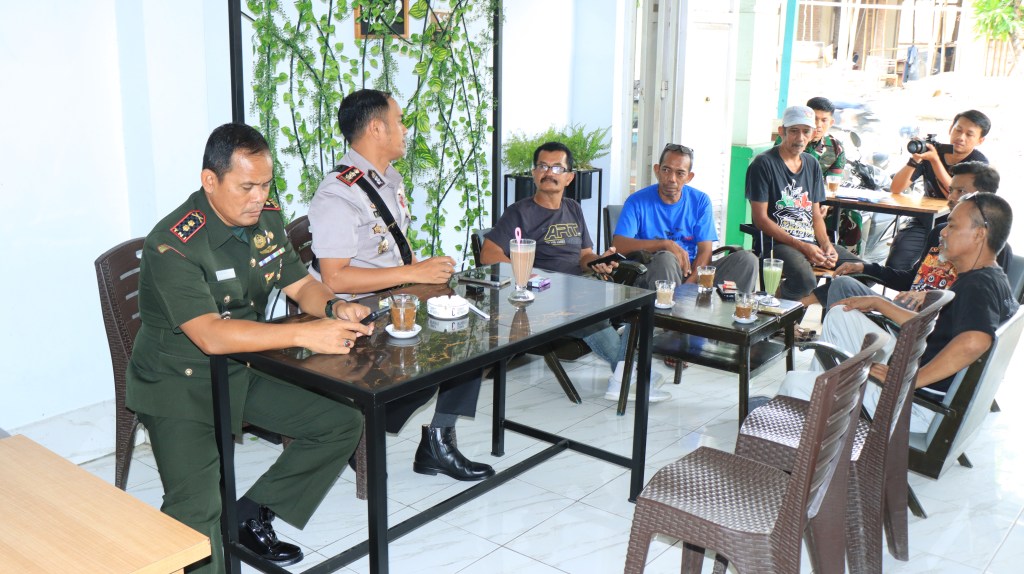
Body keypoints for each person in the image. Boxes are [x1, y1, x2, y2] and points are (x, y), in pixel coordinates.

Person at [127, 124, 370, 573]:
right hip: (179, 383)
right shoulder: (173, 244)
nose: (259, 197)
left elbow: (299, 282)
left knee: (340, 422)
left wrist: (334, 307)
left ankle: (249, 515)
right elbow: (210, 335)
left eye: (265, 185)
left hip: (241, 366)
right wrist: (303, 334)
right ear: (210, 180)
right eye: (246, 187)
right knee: (197, 509)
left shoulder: (265, 218)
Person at [308, 89, 494, 482]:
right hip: (355, 311)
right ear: (377, 128)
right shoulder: (338, 192)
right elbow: (335, 278)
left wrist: (423, 273)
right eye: (399, 120)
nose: (405, 129)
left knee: (471, 332)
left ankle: (438, 441)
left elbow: (387, 255)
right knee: (435, 357)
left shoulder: (387, 180)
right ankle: (356, 423)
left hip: (392, 300)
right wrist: (414, 273)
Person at [779, 193, 1018, 433]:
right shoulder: (991, 277)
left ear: (979, 234)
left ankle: (814, 419)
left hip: (912, 404)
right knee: (842, 313)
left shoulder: (977, 286)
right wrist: (878, 303)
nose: (943, 232)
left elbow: (975, 342)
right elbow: (940, 331)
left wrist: (905, 379)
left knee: (794, 382)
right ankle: (824, 412)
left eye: (953, 226)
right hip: (915, 366)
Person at [479, 141, 670, 402]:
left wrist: (598, 261)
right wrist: (525, 276)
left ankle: (624, 374)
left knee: (636, 300)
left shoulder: (573, 208)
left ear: (569, 177)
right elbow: (488, 254)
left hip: (580, 289)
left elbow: (583, 256)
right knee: (591, 313)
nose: (549, 172)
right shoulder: (519, 213)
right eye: (543, 166)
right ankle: (630, 375)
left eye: (557, 168)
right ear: (534, 173)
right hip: (545, 299)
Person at [805, 162, 1010, 310]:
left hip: (928, 324)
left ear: (984, 197)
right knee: (842, 285)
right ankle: (805, 318)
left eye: (961, 192)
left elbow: (982, 303)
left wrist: (931, 297)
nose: (951, 197)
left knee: (846, 312)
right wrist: (864, 268)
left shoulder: (992, 249)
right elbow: (912, 280)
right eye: (951, 190)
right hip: (903, 310)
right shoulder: (939, 233)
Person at [745, 105, 859, 301]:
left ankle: (806, 305)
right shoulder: (763, 163)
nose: (800, 138)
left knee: (862, 272)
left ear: (813, 134)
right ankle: (780, 308)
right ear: (782, 132)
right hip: (778, 244)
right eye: (793, 131)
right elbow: (760, 219)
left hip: (810, 242)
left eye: (806, 131)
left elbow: (815, 215)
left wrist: (826, 245)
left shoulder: (812, 164)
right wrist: (802, 247)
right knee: (805, 280)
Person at [611, 143, 759, 293]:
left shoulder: (700, 201)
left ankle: (728, 309)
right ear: (657, 170)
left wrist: (689, 285)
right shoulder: (636, 201)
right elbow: (619, 245)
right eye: (666, 170)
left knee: (747, 260)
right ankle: (670, 308)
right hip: (655, 273)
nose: (672, 179)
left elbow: (705, 251)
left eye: (680, 173)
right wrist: (664, 244)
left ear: (689, 177)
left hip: (693, 274)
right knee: (666, 258)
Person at [886, 109, 990, 270]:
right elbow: (896, 188)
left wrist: (935, 161)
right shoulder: (932, 152)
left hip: (958, 225)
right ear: (950, 129)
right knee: (897, 261)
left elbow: (959, 196)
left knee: (936, 270)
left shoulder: (978, 163)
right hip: (924, 220)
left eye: (969, 134)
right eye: (958, 130)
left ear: (980, 140)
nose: (961, 137)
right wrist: (915, 159)